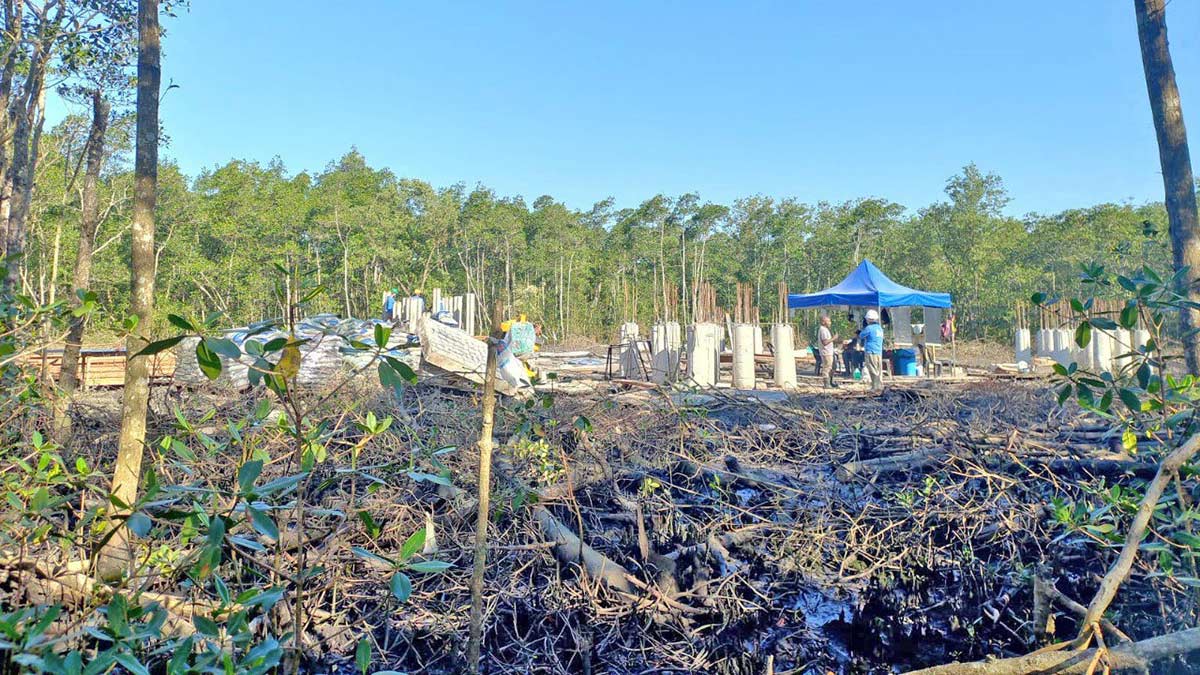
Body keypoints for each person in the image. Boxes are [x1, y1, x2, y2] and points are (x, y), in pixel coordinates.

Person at [859, 309, 884, 392]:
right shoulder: (879, 328)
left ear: (868, 319)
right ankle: (879, 385)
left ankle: (875, 386)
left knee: (872, 369)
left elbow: (861, 335)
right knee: (878, 369)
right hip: (878, 351)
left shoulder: (869, 328)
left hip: (871, 350)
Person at [817, 314, 839, 388]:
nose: (830, 323)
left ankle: (831, 381)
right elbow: (825, 342)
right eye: (828, 321)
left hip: (830, 351)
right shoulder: (823, 330)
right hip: (826, 352)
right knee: (827, 367)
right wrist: (834, 338)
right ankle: (826, 383)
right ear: (823, 322)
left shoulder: (826, 330)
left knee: (833, 367)